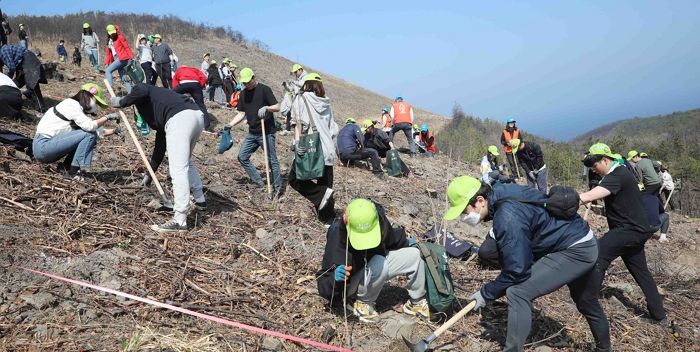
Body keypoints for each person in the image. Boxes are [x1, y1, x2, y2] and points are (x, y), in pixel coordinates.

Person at [442, 176, 600, 351]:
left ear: (480, 200)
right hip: (575, 236)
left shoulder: (507, 216)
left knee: (518, 292)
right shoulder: (502, 192)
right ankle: (604, 348)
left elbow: (517, 270)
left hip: (575, 249)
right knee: (586, 301)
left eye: (465, 210)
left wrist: (486, 293)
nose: (465, 216)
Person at [579, 143, 668, 351]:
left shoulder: (617, 174)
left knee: (598, 255)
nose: (592, 168)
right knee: (641, 273)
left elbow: (592, 195)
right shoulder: (619, 172)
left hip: (629, 231)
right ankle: (659, 315)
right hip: (635, 230)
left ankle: (588, 299)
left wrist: (571, 199)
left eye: (594, 164)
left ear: (605, 160)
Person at [111, 83, 207, 232]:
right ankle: (200, 200)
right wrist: (149, 175)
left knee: (178, 169)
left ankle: (179, 220)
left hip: (181, 119)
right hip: (196, 115)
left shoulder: (142, 89)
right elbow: (159, 149)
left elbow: (141, 89)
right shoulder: (162, 106)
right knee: (185, 161)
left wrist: (121, 102)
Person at [317, 198, 429, 323]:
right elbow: (324, 282)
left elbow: (390, 238)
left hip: (372, 268)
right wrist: (334, 279)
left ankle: (417, 302)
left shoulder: (378, 218)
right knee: (379, 262)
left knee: (414, 255)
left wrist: (407, 241)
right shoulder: (337, 234)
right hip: (350, 283)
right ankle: (362, 304)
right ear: (346, 220)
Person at [33, 84, 119, 180]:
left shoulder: (77, 110)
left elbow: (95, 131)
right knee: (88, 134)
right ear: (87, 96)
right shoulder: (71, 104)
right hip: (43, 147)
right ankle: (73, 173)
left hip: (46, 148)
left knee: (88, 135)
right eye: (97, 102)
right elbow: (90, 127)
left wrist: (114, 131)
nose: (96, 106)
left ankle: (66, 167)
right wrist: (107, 117)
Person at [288, 73, 339, 222]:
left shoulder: (301, 98)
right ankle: (328, 220)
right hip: (328, 148)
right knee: (325, 183)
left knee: (295, 179)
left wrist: (297, 143)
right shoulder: (326, 102)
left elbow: (299, 123)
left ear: (306, 85)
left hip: (311, 147)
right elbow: (333, 129)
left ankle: (322, 194)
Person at [226, 68, 282, 196]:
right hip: (253, 133)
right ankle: (259, 182)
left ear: (253, 77)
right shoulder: (244, 94)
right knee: (242, 157)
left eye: (248, 81)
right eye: (244, 83)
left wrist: (267, 108)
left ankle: (277, 187)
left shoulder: (264, 89)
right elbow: (241, 113)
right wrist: (230, 124)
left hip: (266, 132)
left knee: (271, 160)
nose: (246, 84)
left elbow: (277, 107)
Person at [1, 44, 47, 112]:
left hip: (28, 58)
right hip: (21, 64)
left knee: (33, 84)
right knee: (15, 83)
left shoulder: (3, 51)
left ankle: (41, 108)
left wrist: (7, 79)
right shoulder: (2, 52)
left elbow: (12, 68)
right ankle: (26, 94)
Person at [172, 66, 209, 130]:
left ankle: (173, 119)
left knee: (172, 97)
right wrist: (200, 86)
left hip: (183, 83)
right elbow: (203, 77)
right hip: (195, 84)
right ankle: (206, 125)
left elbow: (175, 81)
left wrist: (175, 93)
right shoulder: (194, 69)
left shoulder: (179, 70)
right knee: (201, 104)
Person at [104, 24, 133, 94]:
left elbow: (127, 47)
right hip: (118, 59)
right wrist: (107, 62)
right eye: (111, 33)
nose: (113, 34)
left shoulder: (120, 37)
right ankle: (131, 93)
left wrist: (131, 57)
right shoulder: (109, 41)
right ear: (108, 33)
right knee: (123, 77)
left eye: (113, 32)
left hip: (123, 58)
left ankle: (110, 88)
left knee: (108, 71)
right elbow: (109, 54)